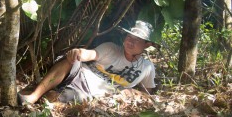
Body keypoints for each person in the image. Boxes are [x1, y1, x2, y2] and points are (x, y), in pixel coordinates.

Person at [17, 20, 158, 105]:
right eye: (129, 36)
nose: (130, 42)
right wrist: (78, 52)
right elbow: (91, 54)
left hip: (91, 93)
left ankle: (48, 94)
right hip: (79, 75)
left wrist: (131, 93)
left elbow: (148, 93)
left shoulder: (147, 67)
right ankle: (33, 96)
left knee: (63, 97)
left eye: (137, 39)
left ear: (147, 44)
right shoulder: (111, 48)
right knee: (71, 60)